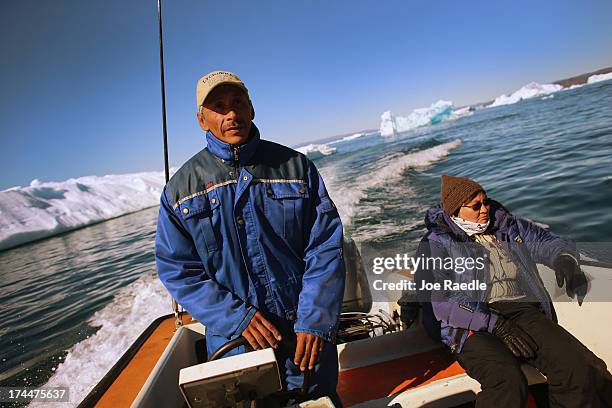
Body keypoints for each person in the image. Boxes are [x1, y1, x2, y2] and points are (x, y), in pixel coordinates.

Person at [154, 71, 345, 405]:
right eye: (219, 106)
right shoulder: (179, 191)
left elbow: (325, 247)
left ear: (251, 109)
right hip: (237, 349)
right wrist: (236, 318)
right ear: (202, 120)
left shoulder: (295, 167)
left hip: (304, 339)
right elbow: (177, 269)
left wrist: (314, 320)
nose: (231, 114)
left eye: (238, 102)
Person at [412, 174, 612, 407]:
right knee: (506, 380)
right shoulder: (435, 243)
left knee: (579, 368)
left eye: (485, 202)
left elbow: (544, 240)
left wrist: (563, 258)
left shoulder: (504, 224)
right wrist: (496, 324)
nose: (484, 209)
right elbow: (443, 300)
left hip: (520, 309)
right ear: (455, 211)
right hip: (466, 323)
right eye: (476, 206)